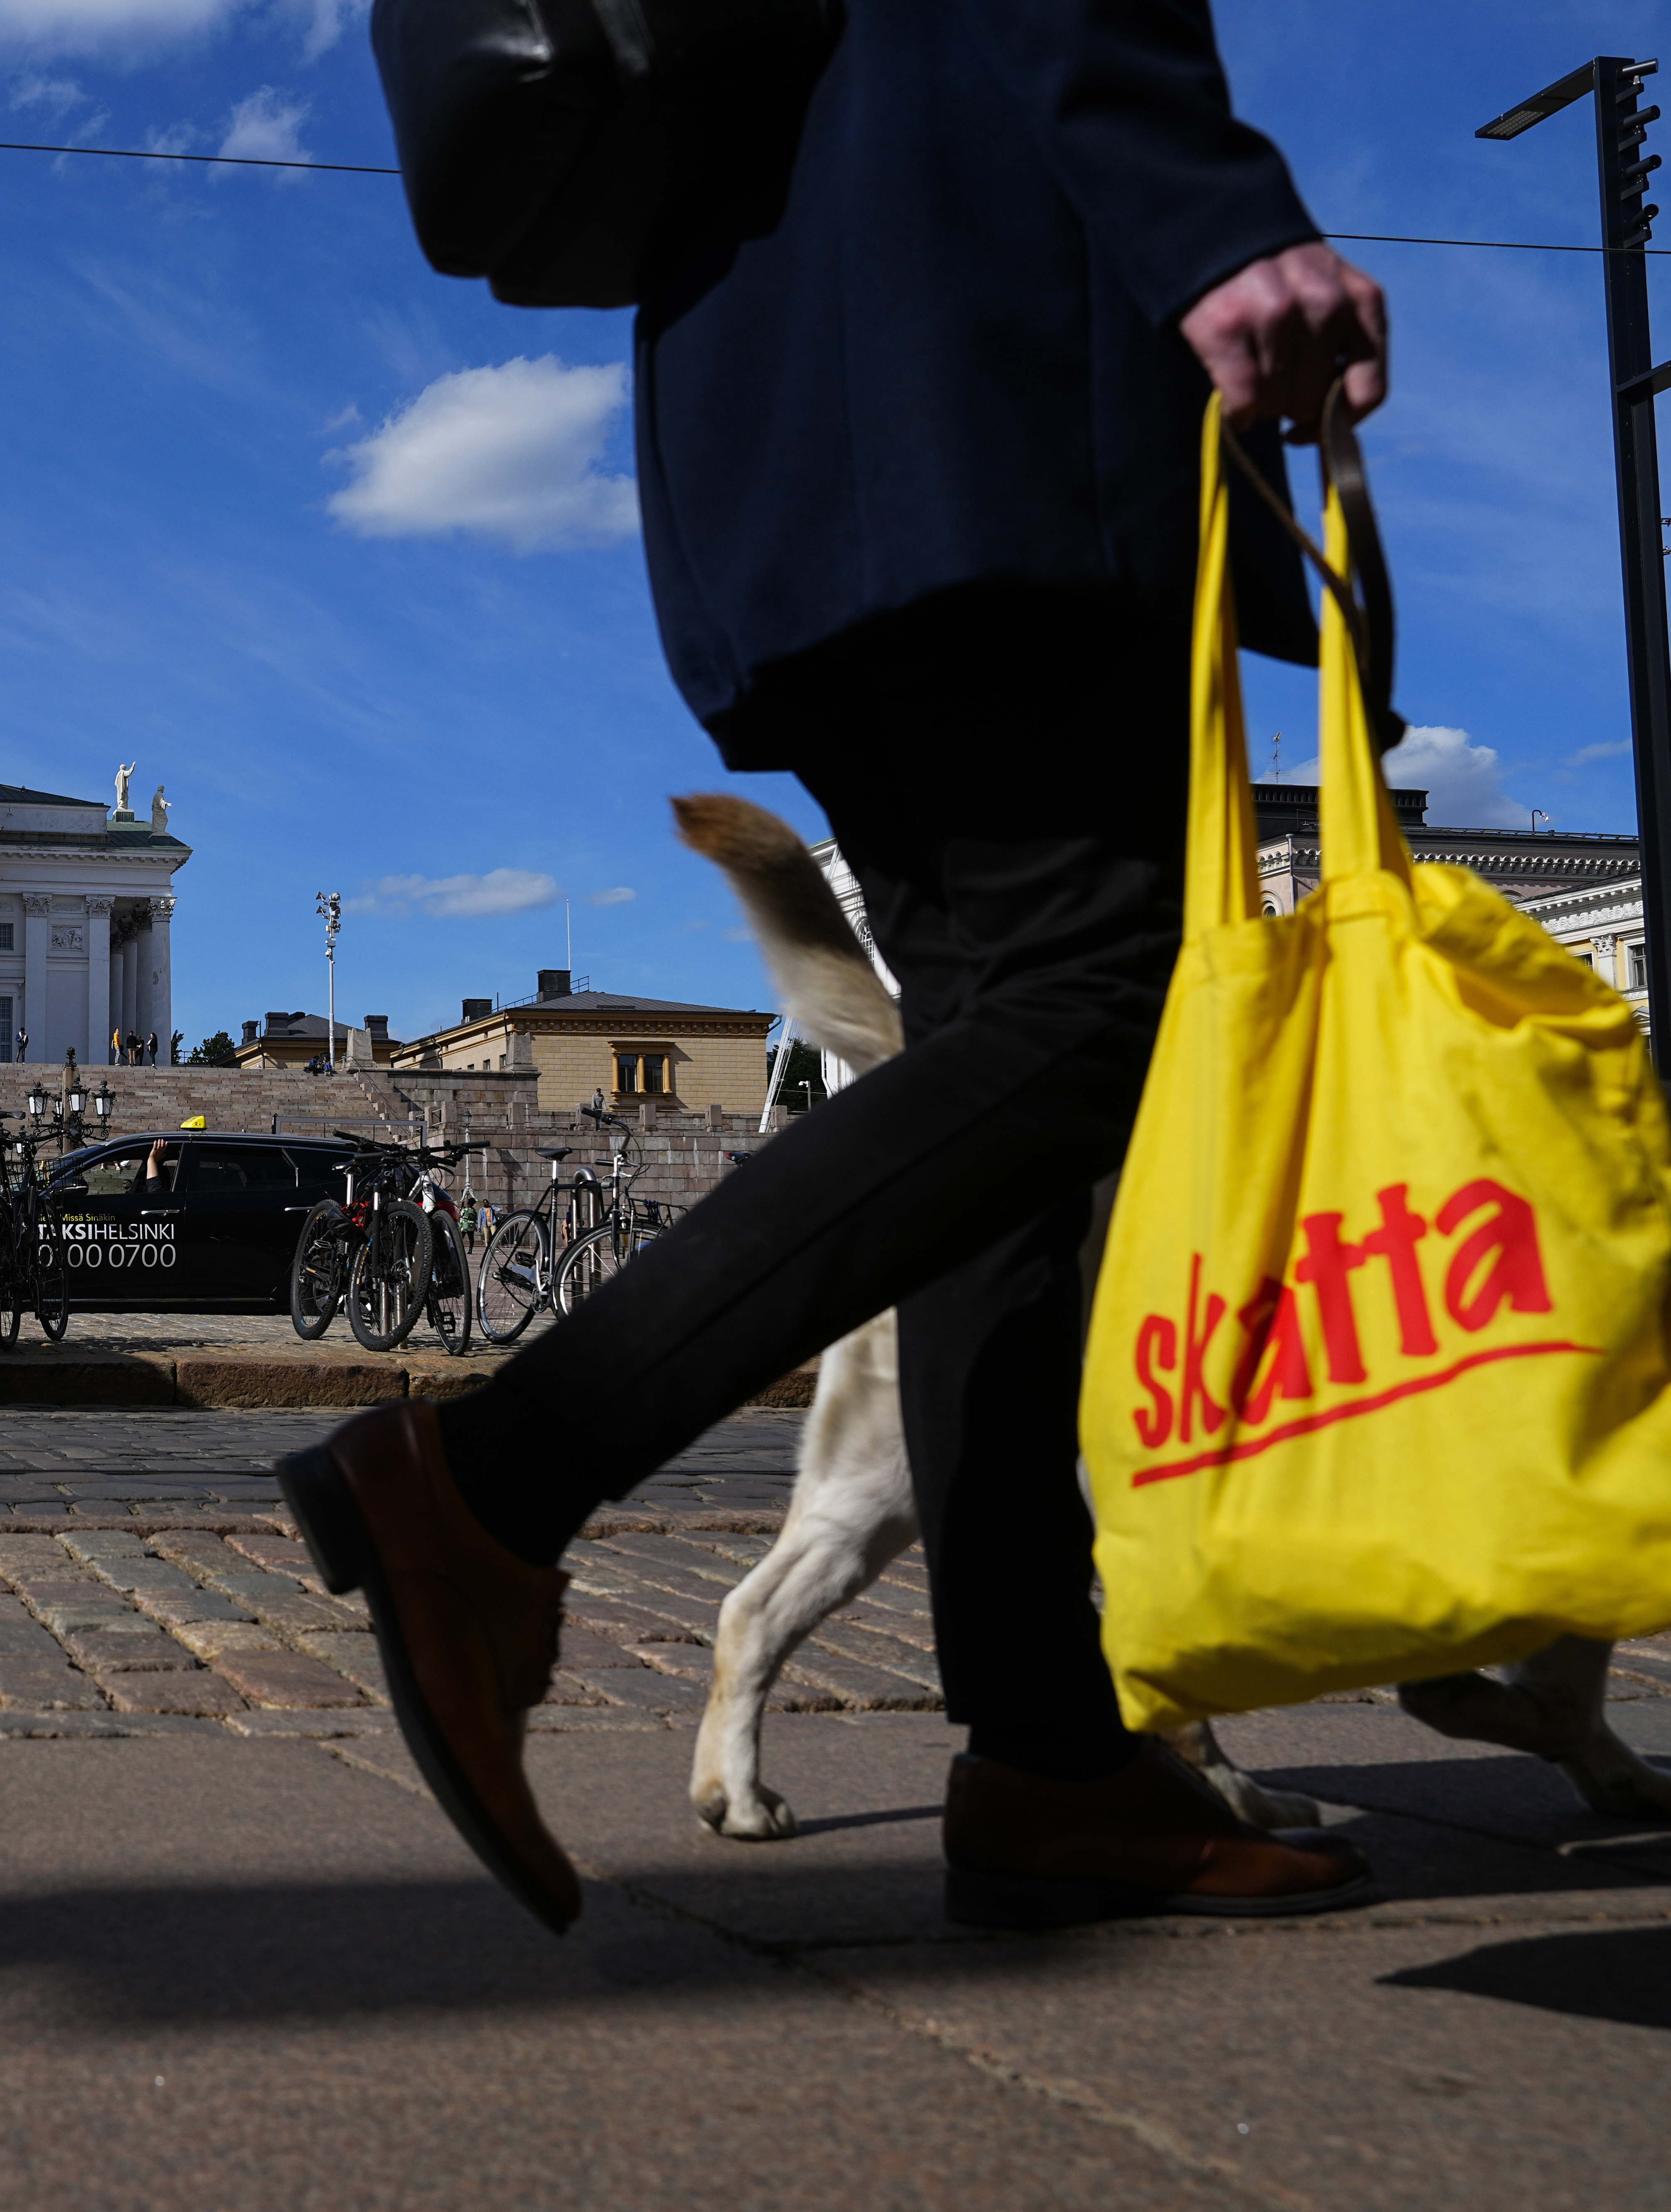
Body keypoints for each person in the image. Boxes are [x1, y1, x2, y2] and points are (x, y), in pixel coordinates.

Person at [286, 0, 1385, 1935]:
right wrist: (1203, 206)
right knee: (1100, 1003)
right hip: (980, 373)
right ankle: (488, 1481)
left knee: (1005, 1087)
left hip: (791, 403)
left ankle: (1045, 1759)